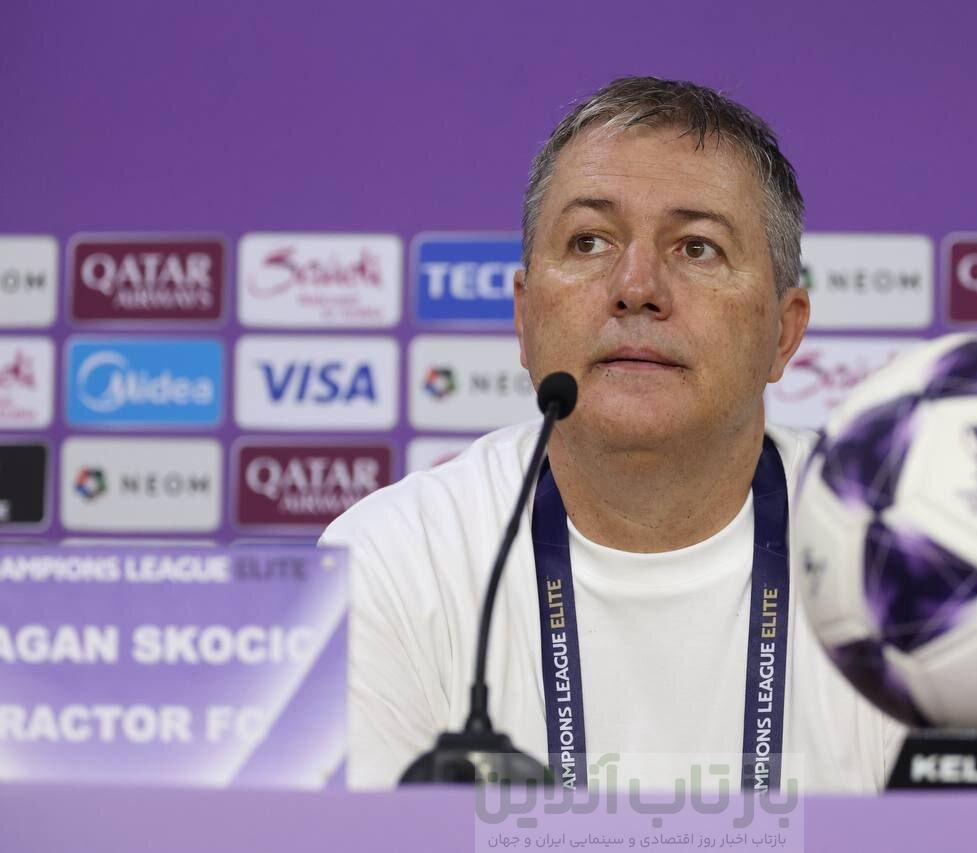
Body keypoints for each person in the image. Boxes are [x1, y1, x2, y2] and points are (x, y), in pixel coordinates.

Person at [322, 76, 902, 792]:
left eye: (697, 248)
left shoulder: (895, 559)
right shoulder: (394, 560)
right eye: (590, 241)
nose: (637, 288)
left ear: (784, 333)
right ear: (525, 316)